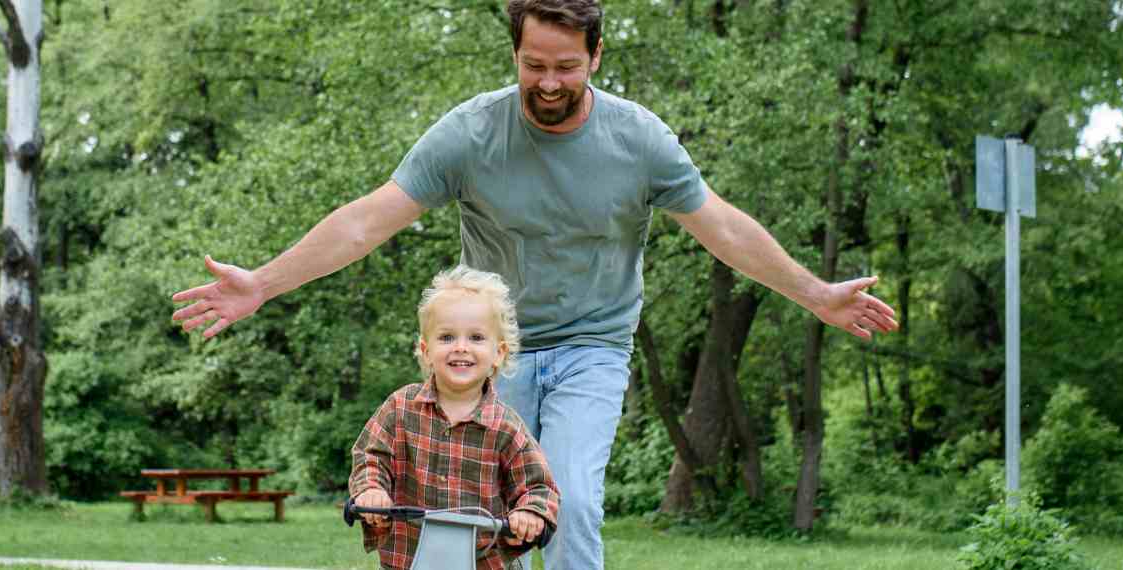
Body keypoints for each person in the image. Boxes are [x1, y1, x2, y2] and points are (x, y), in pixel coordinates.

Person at [171, 1, 899, 567]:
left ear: (596, 56)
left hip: (592, 345)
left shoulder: (638, 140)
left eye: (566, 67)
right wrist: (263, 283)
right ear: (515, 53)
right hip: (492, 351)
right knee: (486, 512)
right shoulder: (470, 133)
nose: (548, 84)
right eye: (533, 65)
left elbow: (723, 228)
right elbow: (367, 221)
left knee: (569, 500)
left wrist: (815, 293)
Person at [349, 266, 558, 570]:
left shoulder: (507, 427)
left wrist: (531, 514)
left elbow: (538, 487)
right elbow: (370, 458)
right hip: (408, 558)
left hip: (484, 562)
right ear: (426, 350)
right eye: (446, 337)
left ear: (498, 352)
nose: (461, 347)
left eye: (475, 337)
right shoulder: (400, 407)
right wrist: (372, 490)